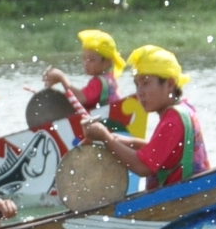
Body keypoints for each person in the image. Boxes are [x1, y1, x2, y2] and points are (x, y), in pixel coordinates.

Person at [84, 47, 205, 190]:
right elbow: (165, 151)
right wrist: (123, 141)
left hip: (182, 197)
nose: (140, 92)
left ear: (170, 84)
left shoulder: (173, 120)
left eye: (146, 83)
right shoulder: (184, 108)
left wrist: (106, 138)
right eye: (137, 85)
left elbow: (143, 167)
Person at [44, 29, 148, 141]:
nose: (86, 63)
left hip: (108, 126)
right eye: (84, 59)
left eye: (91, 60)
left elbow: (80, 99)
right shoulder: (110, 78)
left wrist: (62, 79)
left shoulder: (99, 82)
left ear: (107, 62)